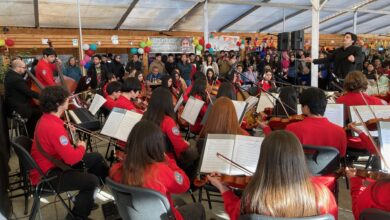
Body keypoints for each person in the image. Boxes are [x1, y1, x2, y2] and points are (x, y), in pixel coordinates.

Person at [207, 130, 338, 220]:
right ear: (299, 157)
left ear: (264, 159)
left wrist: (223, 189)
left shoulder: (252, 198)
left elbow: (235, 216)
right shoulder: (324, 194)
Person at [30, 86, 108, 220]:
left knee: (96, 158)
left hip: (52, 164)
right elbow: (72, 159)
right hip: (48, 175)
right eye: (66, 98)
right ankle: (77, 216)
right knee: (92, 180)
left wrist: (68, 134)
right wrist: (81, 146)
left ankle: (84, 199)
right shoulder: (54, 127)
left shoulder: (46, 118)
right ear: (57, 104)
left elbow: (58, 144)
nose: (69, 100)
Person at [109, 121, 205, 220]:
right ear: (157, 146)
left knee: (179, 201)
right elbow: (185, 185)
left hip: (133, 216)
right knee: (199, 208)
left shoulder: (115, 169)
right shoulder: (160, 170)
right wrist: (169, 161)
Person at [4, 59, 41, 138]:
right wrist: (43, 96)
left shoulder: (10, 74)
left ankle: (27, 133)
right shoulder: (17, 79)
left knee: (36, 109)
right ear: (17, 68)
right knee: (40, 112)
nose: (26, 69)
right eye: (24, 67)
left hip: (12, 106)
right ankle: (31, 136)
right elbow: (28, 92)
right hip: (18, 109)